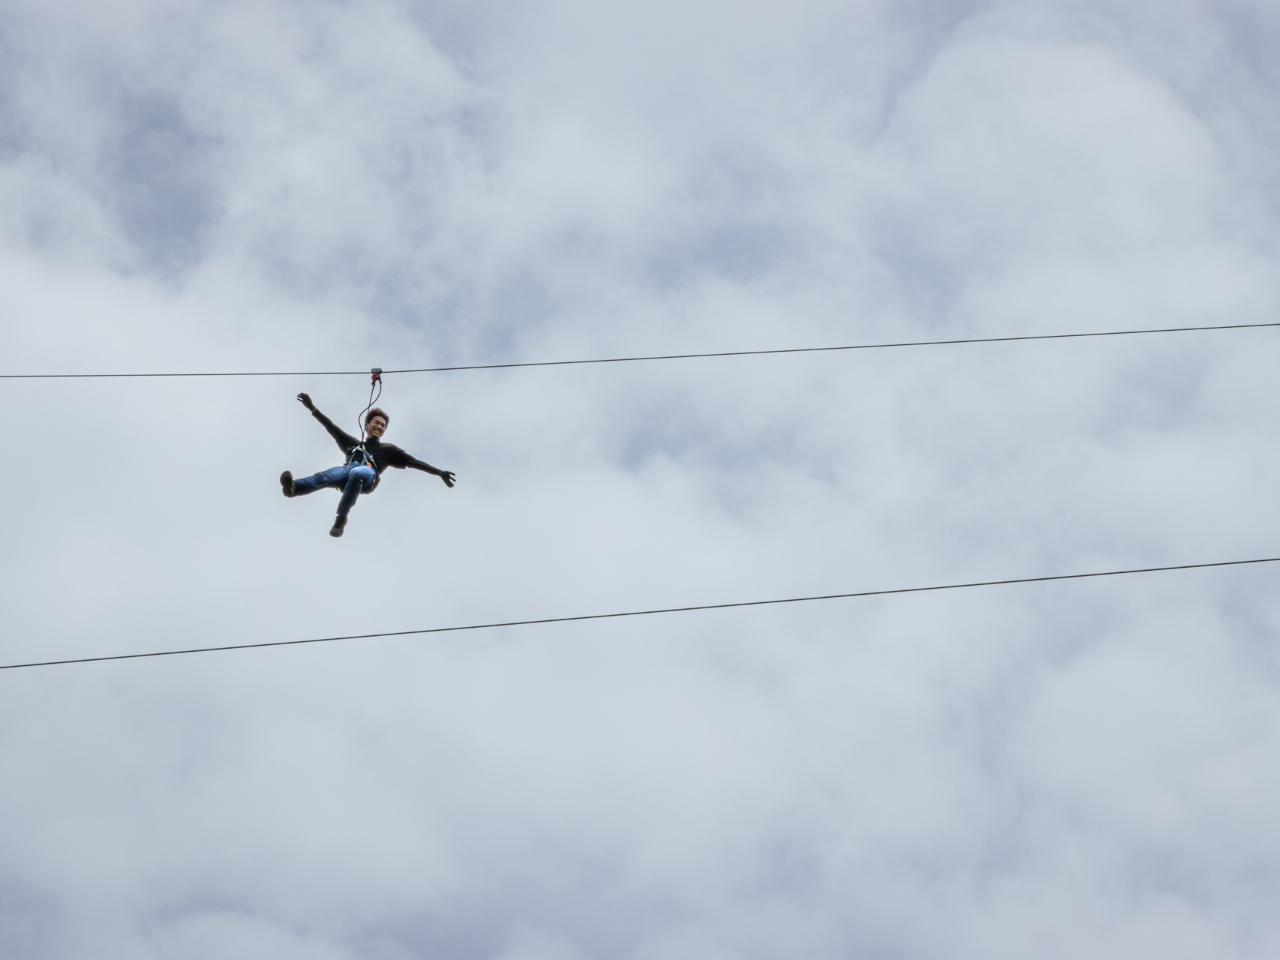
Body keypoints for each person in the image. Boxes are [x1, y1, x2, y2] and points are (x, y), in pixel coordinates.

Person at [281, 392, 456, 537]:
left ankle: (341, 519)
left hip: (367, 476)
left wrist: (439, 472)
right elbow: (330, 426)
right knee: (326, 476)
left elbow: (413, 462)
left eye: (383, 425)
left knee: (358, 472)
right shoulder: (352, 443)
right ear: (367, 425)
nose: (379, 427)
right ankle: (293, 488)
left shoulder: (388, 450)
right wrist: (312, 408)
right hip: (346, 471)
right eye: (376, 423)